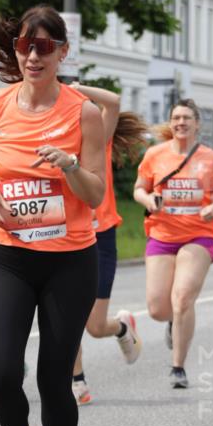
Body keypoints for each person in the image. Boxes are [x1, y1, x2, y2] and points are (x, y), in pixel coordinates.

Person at [0, 5, 105, 426]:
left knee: (54, 378)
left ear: (62, 53)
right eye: (26, 44)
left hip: (69, 260)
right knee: (0, 375)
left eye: (45, 47)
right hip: (10, 257)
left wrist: (70, 166)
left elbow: (93, 194)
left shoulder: (82, 113)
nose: (32, 54)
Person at [134, 99, 213, 389]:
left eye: (187, 117)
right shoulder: (155, 154)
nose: (181, 122)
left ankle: (178, 366)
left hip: (198, 234)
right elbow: (139, 188)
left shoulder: (211, 158)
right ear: (171, 122)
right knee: (157, 309)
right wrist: (148, 200)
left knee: (183, 297)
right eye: (176, 117)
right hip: (162, 233)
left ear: (197, 123)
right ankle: (174, 322)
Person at [70, 94, 149, 404]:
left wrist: (75, 86)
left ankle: (120, 327)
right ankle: (78, 380)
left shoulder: (97, 139)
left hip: (101, 238)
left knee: (95, 326)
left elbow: (113, 103)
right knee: (69, 315)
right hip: (68, 236)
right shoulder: (53, 144)